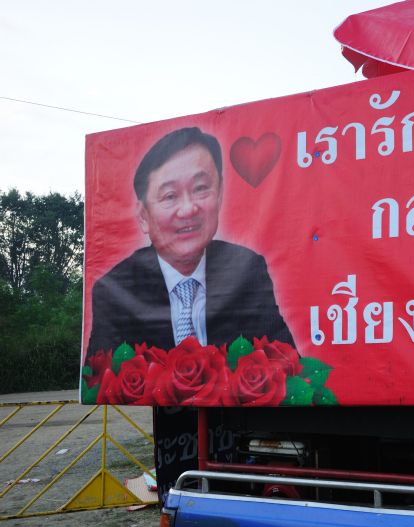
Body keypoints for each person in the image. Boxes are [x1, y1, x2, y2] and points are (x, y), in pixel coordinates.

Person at [86, 126, 295, 358]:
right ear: (143, 216)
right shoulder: (114, 291)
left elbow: (287, 365)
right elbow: (101, 376)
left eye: (200, 188)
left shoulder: (248, 270)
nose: (188, 209)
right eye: (170, 196)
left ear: (219, 194)